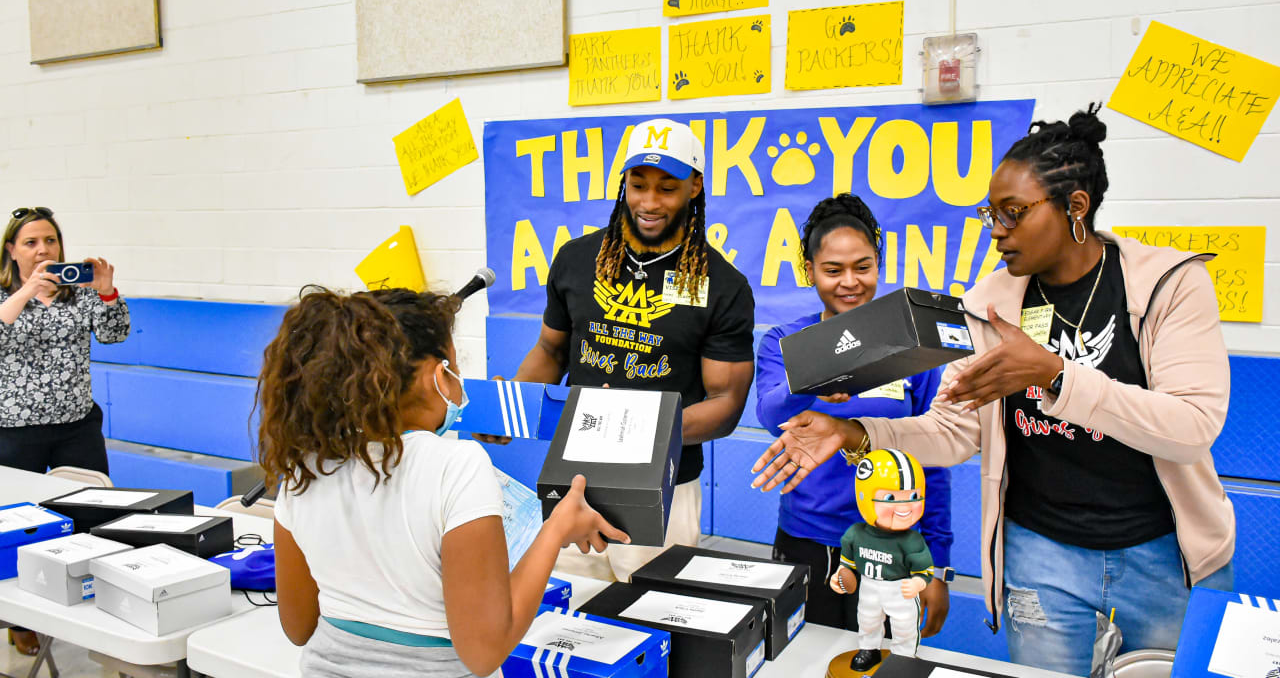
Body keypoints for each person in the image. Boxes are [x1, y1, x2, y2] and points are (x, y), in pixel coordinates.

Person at [751, 105, 1235, 674]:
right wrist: (856, 431)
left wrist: (1054, 374)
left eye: (1013, 213)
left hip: (1163, 553)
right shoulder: (987, 305)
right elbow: (951, 431)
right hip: (1040, 556)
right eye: (990, 213)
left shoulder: (1167, 285)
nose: (996, 230)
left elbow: (1194, 425)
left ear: (1075, 207)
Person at [259, 287, 628, 678]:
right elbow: (484, 653)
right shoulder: (457, 466)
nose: (459, 383)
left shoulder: (305, 469)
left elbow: (298, 627)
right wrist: (555, 530)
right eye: (455, 366)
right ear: (435, 376)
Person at [483, 118, 756, 582]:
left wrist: (632, 431)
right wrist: (507, 408)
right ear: (624, 182)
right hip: (575, 479)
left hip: (664, 487)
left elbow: (725, 407)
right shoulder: (575, 259)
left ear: (695, 188)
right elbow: (551, 351)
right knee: (562, 619)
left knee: (651, 625)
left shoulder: (723, 285)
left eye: (667, 188)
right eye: (638, 184)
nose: (649, 202)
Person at [754, 194, 953, 637]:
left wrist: (937, 565)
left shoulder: (911, 352)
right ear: (809, 271)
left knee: (881, 664)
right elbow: (769, 413)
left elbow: (934, 458)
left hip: (894, 546)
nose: (850, 282)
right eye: (832, 270)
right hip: (808, 542)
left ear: (878, 265)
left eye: (862, 267)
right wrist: (812, 376)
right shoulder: (787, 343)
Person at [1, 206, 128, 657]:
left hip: (77, 425)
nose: (42, 250)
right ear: (12, 250)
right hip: (17, 430)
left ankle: (95, 605)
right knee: (21, 524)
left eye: (50, 241)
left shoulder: (79, 292)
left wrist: (108, 294)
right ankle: (19, 619)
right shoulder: (5, 296)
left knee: (93, 517)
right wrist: (27, 293)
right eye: (31, 242)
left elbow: (116, 334)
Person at [831, 449, 934, 669]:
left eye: (914, 496)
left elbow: (925, 571)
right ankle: (869, 650)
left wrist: (917, 583)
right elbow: (847, 565)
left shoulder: (912, 541)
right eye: (890, 498)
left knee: (905, 626)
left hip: (900, 589)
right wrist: (840, 576)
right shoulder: (856, 534)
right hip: (869, 585)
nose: (905, 507)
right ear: (864, 498)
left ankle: (903, 658)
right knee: (867, 620)